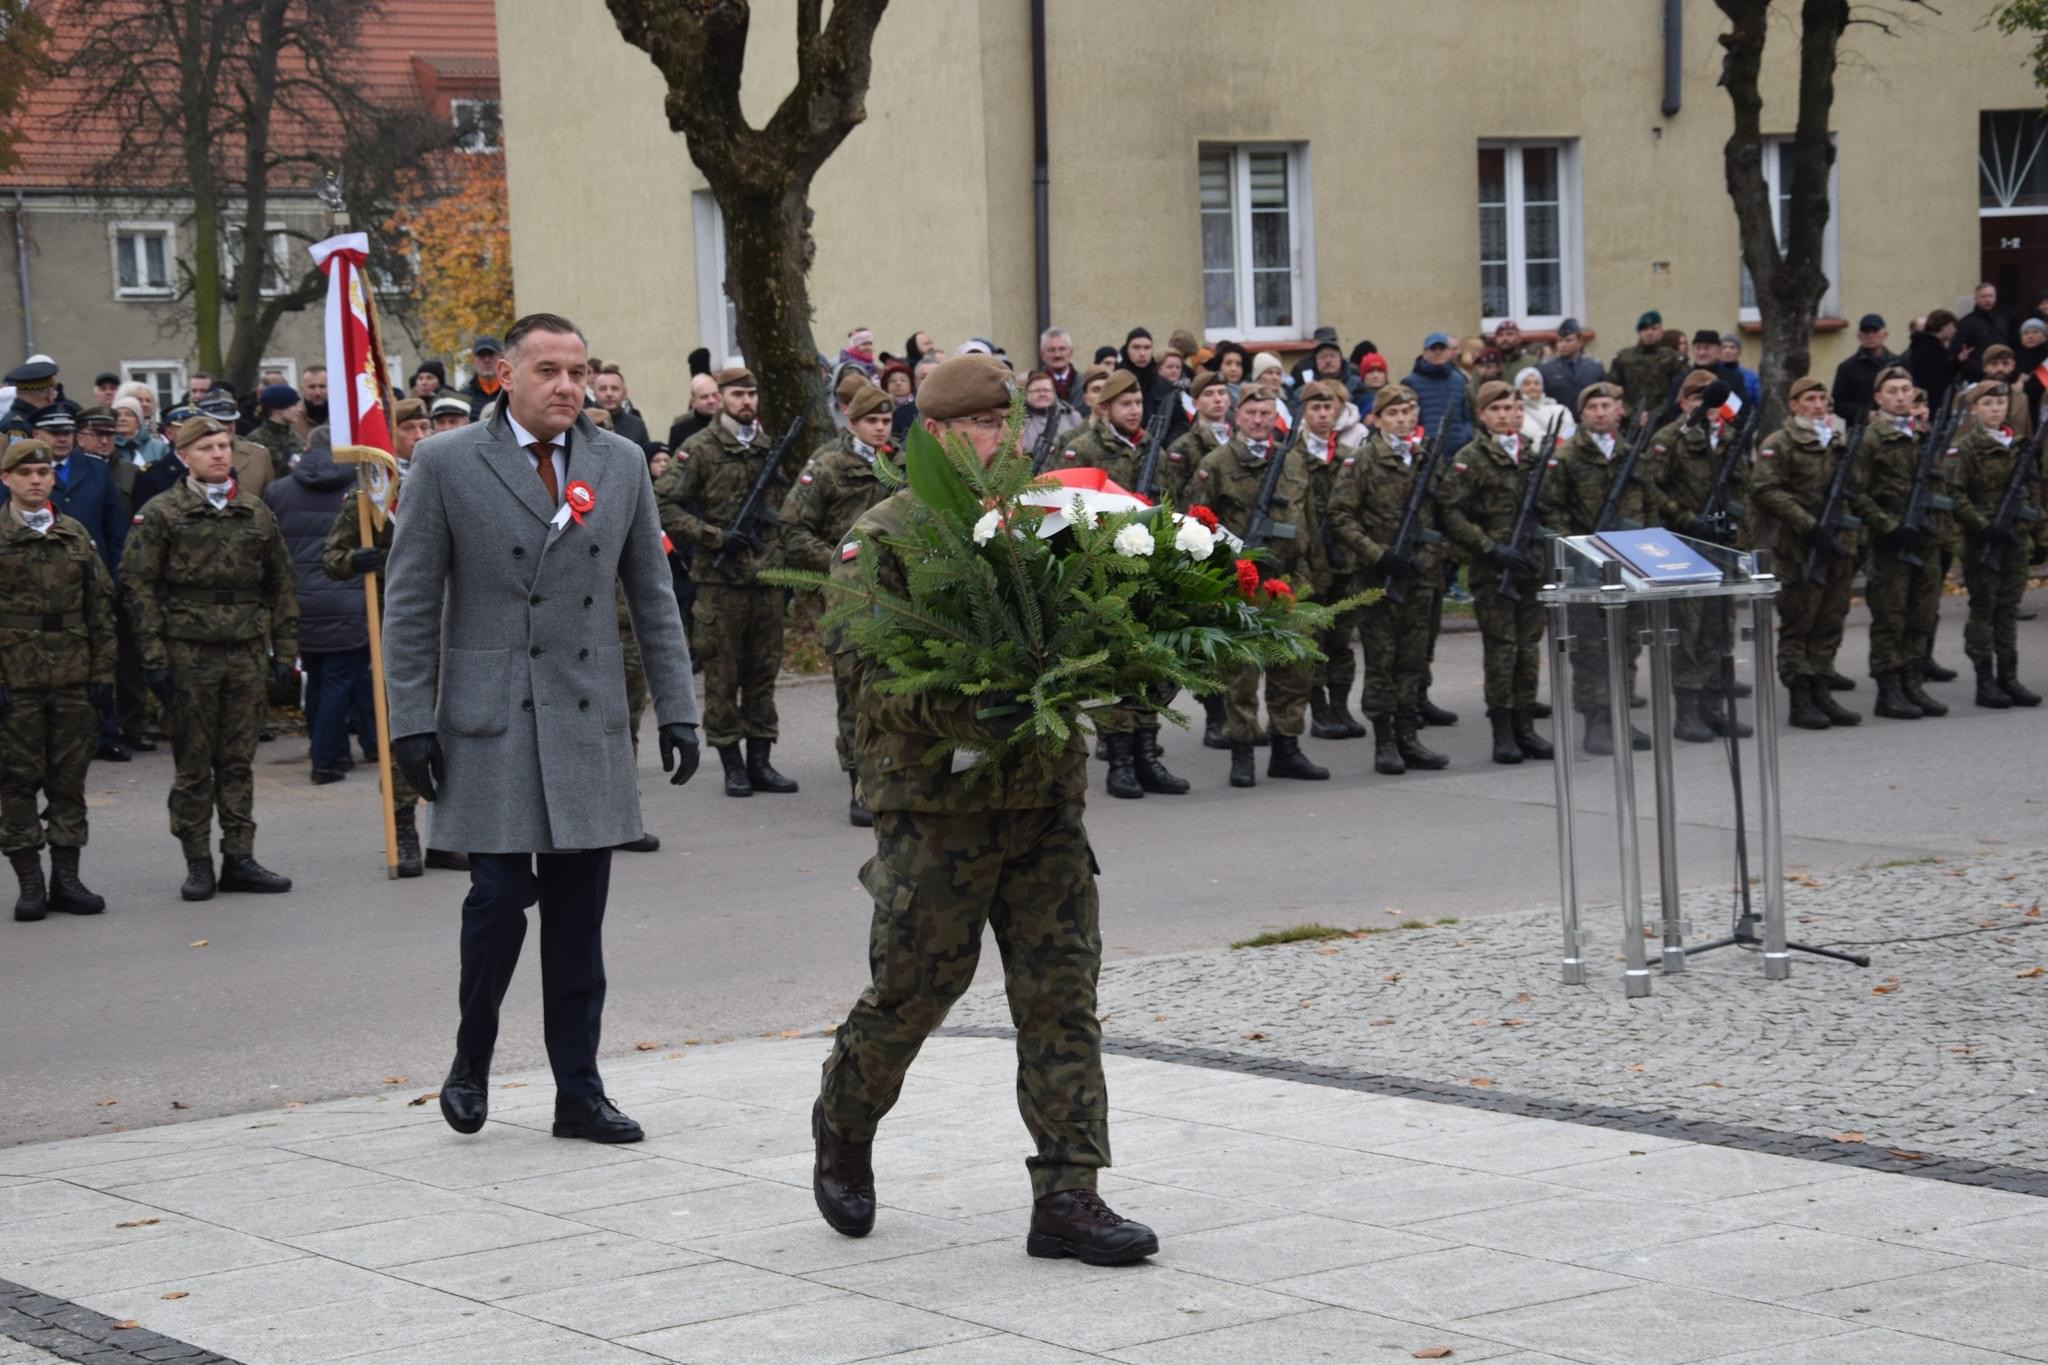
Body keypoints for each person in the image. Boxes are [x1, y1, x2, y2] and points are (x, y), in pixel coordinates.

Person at [811, 354, 1157, 1266]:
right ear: (933, 434)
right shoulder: (884, 536)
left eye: (1004, 424)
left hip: (1043, 801)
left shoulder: (1045, 523)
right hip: (939, 811)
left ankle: (1069, 1193)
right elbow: (869, 675)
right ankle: (844, 1118)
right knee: (914, 992)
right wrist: (975, 709)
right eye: (977, 426)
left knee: (1061, 996)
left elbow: (1097, 626)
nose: (997, 440)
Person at [382, 312, 700, 1145]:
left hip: (585, 713)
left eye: (578, 371)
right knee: (495, 898)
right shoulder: (447, 461)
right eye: (549, 370)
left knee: (577, 920)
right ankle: (472, 1055)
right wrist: (410, 719)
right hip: (488, 717)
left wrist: (679, 706)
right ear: (505, 376)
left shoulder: (619, 460)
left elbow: (652, 593)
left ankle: (579, 1093)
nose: (568, 386)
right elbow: (409, 603)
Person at [121, 415, 298, 899]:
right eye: (206, 448)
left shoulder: (255, 512)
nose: (218, 454)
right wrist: (154, 659)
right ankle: (198, 860)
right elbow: (138, 587)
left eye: (223, 445)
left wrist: (285, 654)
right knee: (195, 764)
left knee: (238, 761)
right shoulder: (162, 512)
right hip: (188, 651)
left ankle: (239, 857)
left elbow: (281, 585)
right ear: (184, 456)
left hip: (245, 650)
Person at [320, 400, 464, 877]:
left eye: (426, 426)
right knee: (406, 726)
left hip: (457, 619)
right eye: (410, 428)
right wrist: (356, 560)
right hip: (399, 626)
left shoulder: (452, 479)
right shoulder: (371, 496)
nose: (420, 434)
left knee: (456, 731)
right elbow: (332, 558)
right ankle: (404, 829)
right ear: (390, 436)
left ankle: (448, 834)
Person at [656, 367, 797, 798]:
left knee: (763, 674)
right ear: (720, 398)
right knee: (722, 677)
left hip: (766, 581)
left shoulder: (770, 448)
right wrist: (714, 536)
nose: (746, 401)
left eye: (752, 394)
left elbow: (789, 510)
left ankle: (761, 762)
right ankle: (732, 765)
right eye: (738, 394)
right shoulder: (700, 448)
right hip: (720, 584)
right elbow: (664, 504)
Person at [1058, 369, 1191, 798]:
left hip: (1149, 571)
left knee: (1151, 664)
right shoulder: (1083, 449)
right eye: (1125, 404)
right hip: (1104, 572)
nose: (1134, 411)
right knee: (1113, 667)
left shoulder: (1153, 448)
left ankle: (1147, 755)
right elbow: (1065, 511)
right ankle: (1120, 762)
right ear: (1104, 408)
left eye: (1138, 403)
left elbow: (1170, 506)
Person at [0, 439, 116, 922]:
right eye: (25, 473)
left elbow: (101, 608)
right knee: (16, 781)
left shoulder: (73, 533)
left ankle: (66, 880)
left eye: (43, 472)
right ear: (6, 478)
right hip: (15, 677)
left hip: (72, 675)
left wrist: (102, 673)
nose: (35, 480)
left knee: (69, 780)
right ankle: (30, 883)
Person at [1191, 387, 1330, 787]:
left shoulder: (1292, 460)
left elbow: (1308, 518)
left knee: (1294, 667)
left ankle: (1287, 748)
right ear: (1237, 416)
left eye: (1266, 413)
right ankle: (1243, 752)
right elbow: (1197, 525)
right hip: (1242, 581)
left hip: (1290, 580)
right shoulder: (1216, 464)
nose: (1258, 420)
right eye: (1251, 413)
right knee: (1242, 673)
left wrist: (1318, 573)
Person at [783, 386, 898, 825]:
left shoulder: (901, 463)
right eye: (872, 421)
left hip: (899, 593)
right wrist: (841, 560)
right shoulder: (828, 466)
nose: (880, 428)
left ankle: (895, 778)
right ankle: (859, 783)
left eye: (886, 421)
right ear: (853, 422)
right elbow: (793, 530)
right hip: (849, 596)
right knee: (855, 689)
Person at [1323, 385, 1448, 775]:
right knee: (1382, 659)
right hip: (1377, 577)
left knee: (1412, 659)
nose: (1402, 419)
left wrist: (1433, 558)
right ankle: (1385, 741)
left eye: (1408, 411)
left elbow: (1442, 512)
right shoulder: (1362, 460)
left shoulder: (1424, 457)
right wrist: (1378, 555)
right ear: (1377, 419)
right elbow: (1340, 516)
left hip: (1419, 575)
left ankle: (1409, 736)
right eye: (1393, 413)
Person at [1438, 380, 1555, 765]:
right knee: (1502, 651)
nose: (1506, 415)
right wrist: (1490, 548)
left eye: (1512, 408)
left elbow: (1551, 504)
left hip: (1530, 566)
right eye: (1498, 409)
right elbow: (1451, 512)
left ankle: (1526, 726)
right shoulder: (1470, 458)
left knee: (1528, 649)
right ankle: (1502, 732)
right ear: (1482, 415)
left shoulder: (1531, 454)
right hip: (1493, 570)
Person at [1553, 381, 1672, 753]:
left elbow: (1649, 506)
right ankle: (1597, 720)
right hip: (1586, 565)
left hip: (1630, 563)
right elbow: (1552, 510)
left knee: (1627, 642)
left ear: (1619, 411)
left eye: (1606, 406)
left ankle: (1621, 714)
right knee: (1591, 649)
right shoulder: (1568, 456)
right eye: (1593, 407)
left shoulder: (1632, 454)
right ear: (1582, 414)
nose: (1601, 413)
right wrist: (1576, 551)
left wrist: (1651, 553)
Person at [1751, 377, 1864, 730]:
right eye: (1810, 399)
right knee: (1799, 622)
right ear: (1794, 404)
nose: (1818, 405)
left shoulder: (1835, 441)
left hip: (1837, 545)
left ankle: (1821, 687)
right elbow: (1765, 489)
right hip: (1798, 548)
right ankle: (1800, 697)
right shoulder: (1779, 443)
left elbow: (1855, 488)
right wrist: (1809, 525)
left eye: (1822, 398)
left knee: (1830, 619)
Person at [262, 425, 370, 784]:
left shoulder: (278, 490)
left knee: (317, 677)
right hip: (346, 595)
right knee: (339, 680)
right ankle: (326, 758)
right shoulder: (359, 488)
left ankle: (328, 749)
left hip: (299, 599)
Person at [1649, 373, 1752, 742]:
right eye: (1697, 398)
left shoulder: (1729, 438)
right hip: (1686, 544)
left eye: (1711, 399)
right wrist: (1687, 518)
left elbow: (1745, 486)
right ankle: (1687, 713)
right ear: (1684, 403)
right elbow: (1652, 489)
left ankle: (1713, 708)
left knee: (1719, 628)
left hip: (1722, 546)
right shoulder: (1669, 439)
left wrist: (1735, 524)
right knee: (1688, 632)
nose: (1706, 406)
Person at [1851, 366, 1954, 721]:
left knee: (1921, 615)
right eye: (1892, 391)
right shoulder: (1870, 439)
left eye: (1905, 390)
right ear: (1878, 398)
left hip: (1927, 539)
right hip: (1891, 543)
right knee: (1890, 618)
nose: (1900, 396)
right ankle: (1889, 690)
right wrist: (1889, 527)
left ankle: (1913, 682)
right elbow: (1856, 492)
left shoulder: (1922, 435)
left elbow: (1939, 486)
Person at [1949, 380, 2042, 708]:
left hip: (2015, 539)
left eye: (2000, 403)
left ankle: (2008, 676)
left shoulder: (2018, 445)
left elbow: (2033, 491)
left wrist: (2036, 533)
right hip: (1983, 542)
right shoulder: (1965, 448)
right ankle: (1985, 680)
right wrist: (1984, 526)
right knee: (1985, 609)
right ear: (1974, 409)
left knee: (2008, 609)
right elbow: (1955, 495)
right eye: (1987, 404)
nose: (1995, 409)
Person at [1298, 381, 1366, 743]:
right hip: (1309, 565)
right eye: (1316, 409)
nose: (1323, 415)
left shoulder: (1349, 458)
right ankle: (1319, 709)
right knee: (1313, 640)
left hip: (1343, 562)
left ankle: (1340, 705)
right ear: (1304, 413)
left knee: (1341, 639)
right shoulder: (1292, 458)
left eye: (1328, 408)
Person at [1404, 332, 1472, 453]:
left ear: (1448, 352)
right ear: (1425, 353)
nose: (1438, 352)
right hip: (1425, 451)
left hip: (1458, 450)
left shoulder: (1459, 380)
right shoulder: (1410, 382)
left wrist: (1465, 436)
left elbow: (1467, 414)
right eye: (1433, 349)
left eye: (1442, 348)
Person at [1610, 311, 1686, 417]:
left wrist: (1659, 413)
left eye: (1654, 328)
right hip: (1630, 417)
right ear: (1639, 332)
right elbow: (1614, 389)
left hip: (1665, 416)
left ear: (1661, 331)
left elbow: (1679, 390)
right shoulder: (1623, 357)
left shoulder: (1673, 358)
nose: (1649, 333)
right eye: (1645, 329)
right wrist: (1630, 413)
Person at [1830, 314, 1899, 425]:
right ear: (1859, 336)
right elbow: (1838, 404)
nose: (1870, 336)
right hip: (1863, 428)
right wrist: (1865, 415)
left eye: (1875, 331)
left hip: (1897, 423)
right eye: (1866, 332)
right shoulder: (1847, 367)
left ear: (1885, 334)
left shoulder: (1898, 364)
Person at [1539, 318, 1605, 413]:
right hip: (1558, 417)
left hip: (1587, 417)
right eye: (1560, 341)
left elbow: (1603, 396)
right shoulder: (1546, 369)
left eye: (1568, 340)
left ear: (1580, 342)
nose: (1563, 345)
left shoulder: (1594, 367)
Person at [1953, 283, 2011, 381]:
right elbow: (1958, 351)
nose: (1987, 300)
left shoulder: (2002, 320)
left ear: (1995, 298)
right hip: (1976, 376)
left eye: (1990, 296)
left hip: (2001, 373)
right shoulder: (1966, 323)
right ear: (1976, 299)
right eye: (1983, 296)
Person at [591, 365, 652, 453]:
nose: (609, 393)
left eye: (615, 388)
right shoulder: (582, 422)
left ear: (624, 393)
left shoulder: (637, 425)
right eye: (603, 389)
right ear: (594, 393)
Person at [1906, 311, 1960, 409]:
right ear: (1944, 326)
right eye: (1952, 326)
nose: (1955, 330)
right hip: (1930, 401)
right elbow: (1941, 376)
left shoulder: (1922, 345)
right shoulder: (1933, 349)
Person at [1020, 371, 1081, 455]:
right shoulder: (1016, 419)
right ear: (1026, 393)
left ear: (1054, 393)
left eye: (1047, 390)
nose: (1042, 394)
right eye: (1036, 390)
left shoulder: (1072, 416)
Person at [249, 384, 304, 477]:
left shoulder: (294, 436)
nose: (300, 409)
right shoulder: (256, 440)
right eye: (294, 405)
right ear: (278, 408)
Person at [1515, 366, 1574, 444]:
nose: (1533, 387)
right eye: (1527, 384)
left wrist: (1563, 442)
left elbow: (1570, 430)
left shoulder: (1560, 409)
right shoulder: (1516, 414)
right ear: (1518, 388)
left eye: (1537, 383)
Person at [668, 372, 720, 449]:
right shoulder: (679, 431)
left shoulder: (730, 423)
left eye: (715, 395)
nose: (711, 401)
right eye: (704, 397)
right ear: (693, 402)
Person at [456, 339, 501, 417]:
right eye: (481, 356)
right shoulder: (462, 397)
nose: (487, 360)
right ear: (473, 360)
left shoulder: (511, 392)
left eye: (491, 355)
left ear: (501, 358)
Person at [1038, 327, 1079, 405]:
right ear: (1042, 354)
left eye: (1062, 349)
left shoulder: (1085, 384)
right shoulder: (1031, 386)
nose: (1057, 355)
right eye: (1051, 350)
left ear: (1071, 352)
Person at [1719, 333, 1761, 405]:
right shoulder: (1713, 373)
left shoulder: (1751, 377)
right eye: (1724, 347)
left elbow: (1757, 402)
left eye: (1732, 347)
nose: (1727, 351)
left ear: (1739, 352)